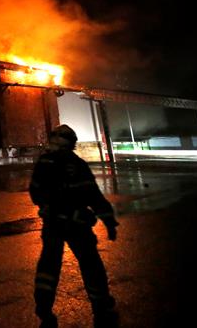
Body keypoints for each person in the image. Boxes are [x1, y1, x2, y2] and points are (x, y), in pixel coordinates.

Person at [30, 124, 119, 328]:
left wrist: (47, 207)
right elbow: (93, 195)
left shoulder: (43, 163)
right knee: (90, 263)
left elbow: (35, 191)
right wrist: (109, 221)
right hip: (77, 224)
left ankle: (44, 307)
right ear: (72, 143)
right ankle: (101, 304)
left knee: (48, 265)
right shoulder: (76, 164)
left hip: (53, 223)